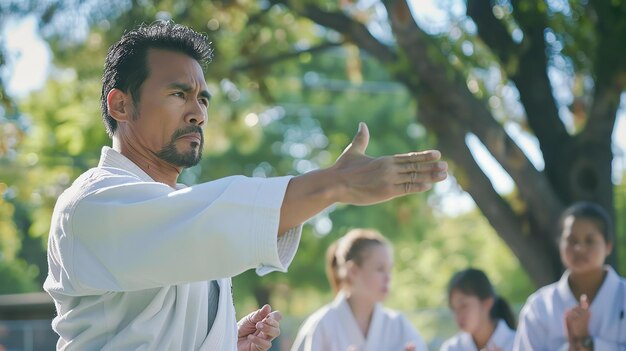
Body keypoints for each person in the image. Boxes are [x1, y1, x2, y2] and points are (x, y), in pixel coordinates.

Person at [42, 21, 449, 351]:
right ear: (121, 105)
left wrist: (222, 341)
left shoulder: (179, 211)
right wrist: (335, 184)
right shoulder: (92, 204)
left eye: (203, 99)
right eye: (178, 93)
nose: (197, 113)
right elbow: (209, 225)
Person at [290, 228, 429, 351]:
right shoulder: (320, 326)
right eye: (380, 269)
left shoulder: (399, 325)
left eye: (389, 270)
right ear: (353, 271)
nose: (388, 278)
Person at [514, 202, 626, 350]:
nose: (579, 248)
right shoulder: (539, 306)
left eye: (590, 240)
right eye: (571, 241)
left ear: (608, 246)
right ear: (559, 244)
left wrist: (591, 344)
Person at [440, 268, 516, 351]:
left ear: (487, 303)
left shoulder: (517, 343)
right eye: (453, 309)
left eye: (463, 306)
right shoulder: (451, 348)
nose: (458, 316)